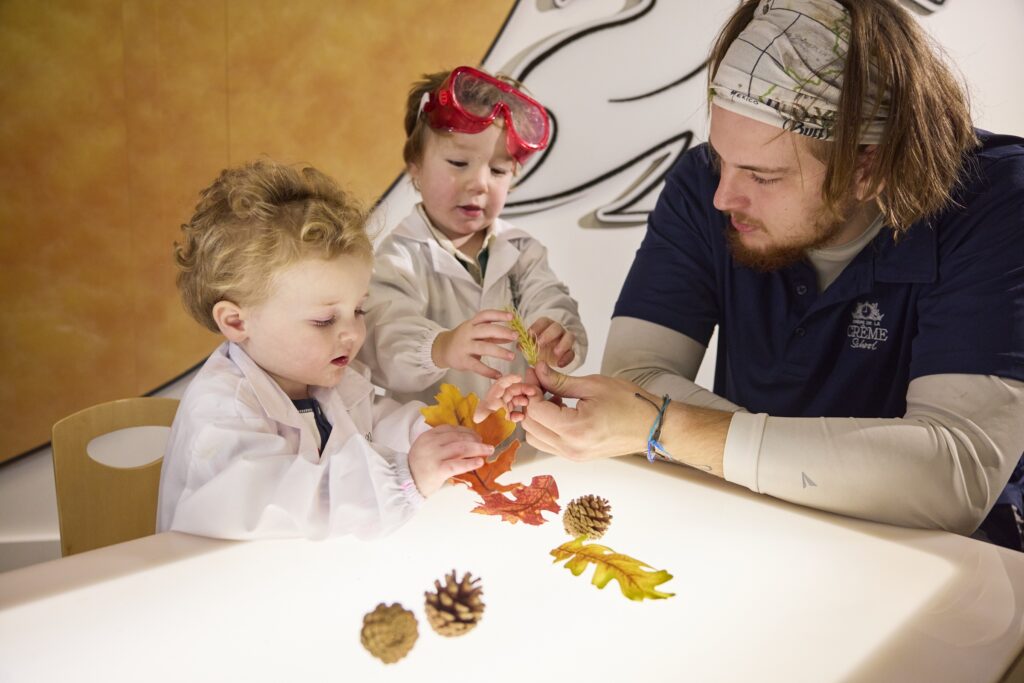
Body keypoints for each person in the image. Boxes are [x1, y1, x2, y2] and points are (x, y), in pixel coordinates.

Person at [492, 0, 1024, 550]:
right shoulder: (702, 185)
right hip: (751, 529)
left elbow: (953, 479)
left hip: (948, 566)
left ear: (869, 168)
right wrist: (853, 467)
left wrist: (665, 428)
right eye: (722, 158)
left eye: (763, 176)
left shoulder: (996, 202)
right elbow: (638, 379)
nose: (724, 196)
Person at [157, 160, 493, 540]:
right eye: (323, 321)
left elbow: (379, 426)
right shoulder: (221, 412)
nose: (352, 332)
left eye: (359, 310)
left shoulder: (324, 379)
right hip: (231, 587)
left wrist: (443, 434)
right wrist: (406, 477)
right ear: (236, 322)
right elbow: (290, 505)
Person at [359, 66, 587, 407]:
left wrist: (557, 333)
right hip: (436, 442)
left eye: (497, 171)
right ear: (415, 167)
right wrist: (442, 347)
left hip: (520, 438)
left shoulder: (522, 252)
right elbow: (382, 336)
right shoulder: (398, 258)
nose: (480, 183)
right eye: (458, 162)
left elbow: (549, 297)